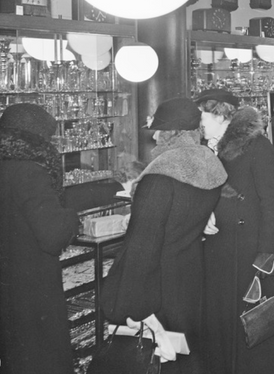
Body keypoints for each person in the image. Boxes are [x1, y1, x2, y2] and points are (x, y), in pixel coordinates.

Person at [101, 97, 227, 374]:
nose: (155, 136)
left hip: (157, 284)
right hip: (192, 275)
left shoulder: (160, 177)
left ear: (173, 133)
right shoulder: (209, 165)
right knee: (185, 351)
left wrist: (129, 304)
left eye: (160, 130)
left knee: (162, 358)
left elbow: (142, 247)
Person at [195, 89, 274, 374]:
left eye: (202, 115)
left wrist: (265, 259)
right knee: (226, 334)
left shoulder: (256, 147)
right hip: (220, 254)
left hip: (250, 257)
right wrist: (204, 215)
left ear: (219, 114)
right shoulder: (212, 147)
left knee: (255, 335)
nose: (199, 123)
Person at [0, 103, 81, 374]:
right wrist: (72, 217)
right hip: (32, 288)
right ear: (38, 139)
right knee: (43, 358)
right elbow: (52, 235)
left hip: (8, 284)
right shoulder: (30, 172)